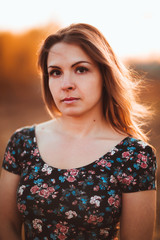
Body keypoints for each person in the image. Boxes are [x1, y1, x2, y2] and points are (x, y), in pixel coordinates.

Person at [0, 23, 157, 240]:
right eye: (55, 72)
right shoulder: (22, 142)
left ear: (105, 74)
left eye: (81, 69)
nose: (66, 84)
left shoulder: (134, 156)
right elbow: (5, 225)